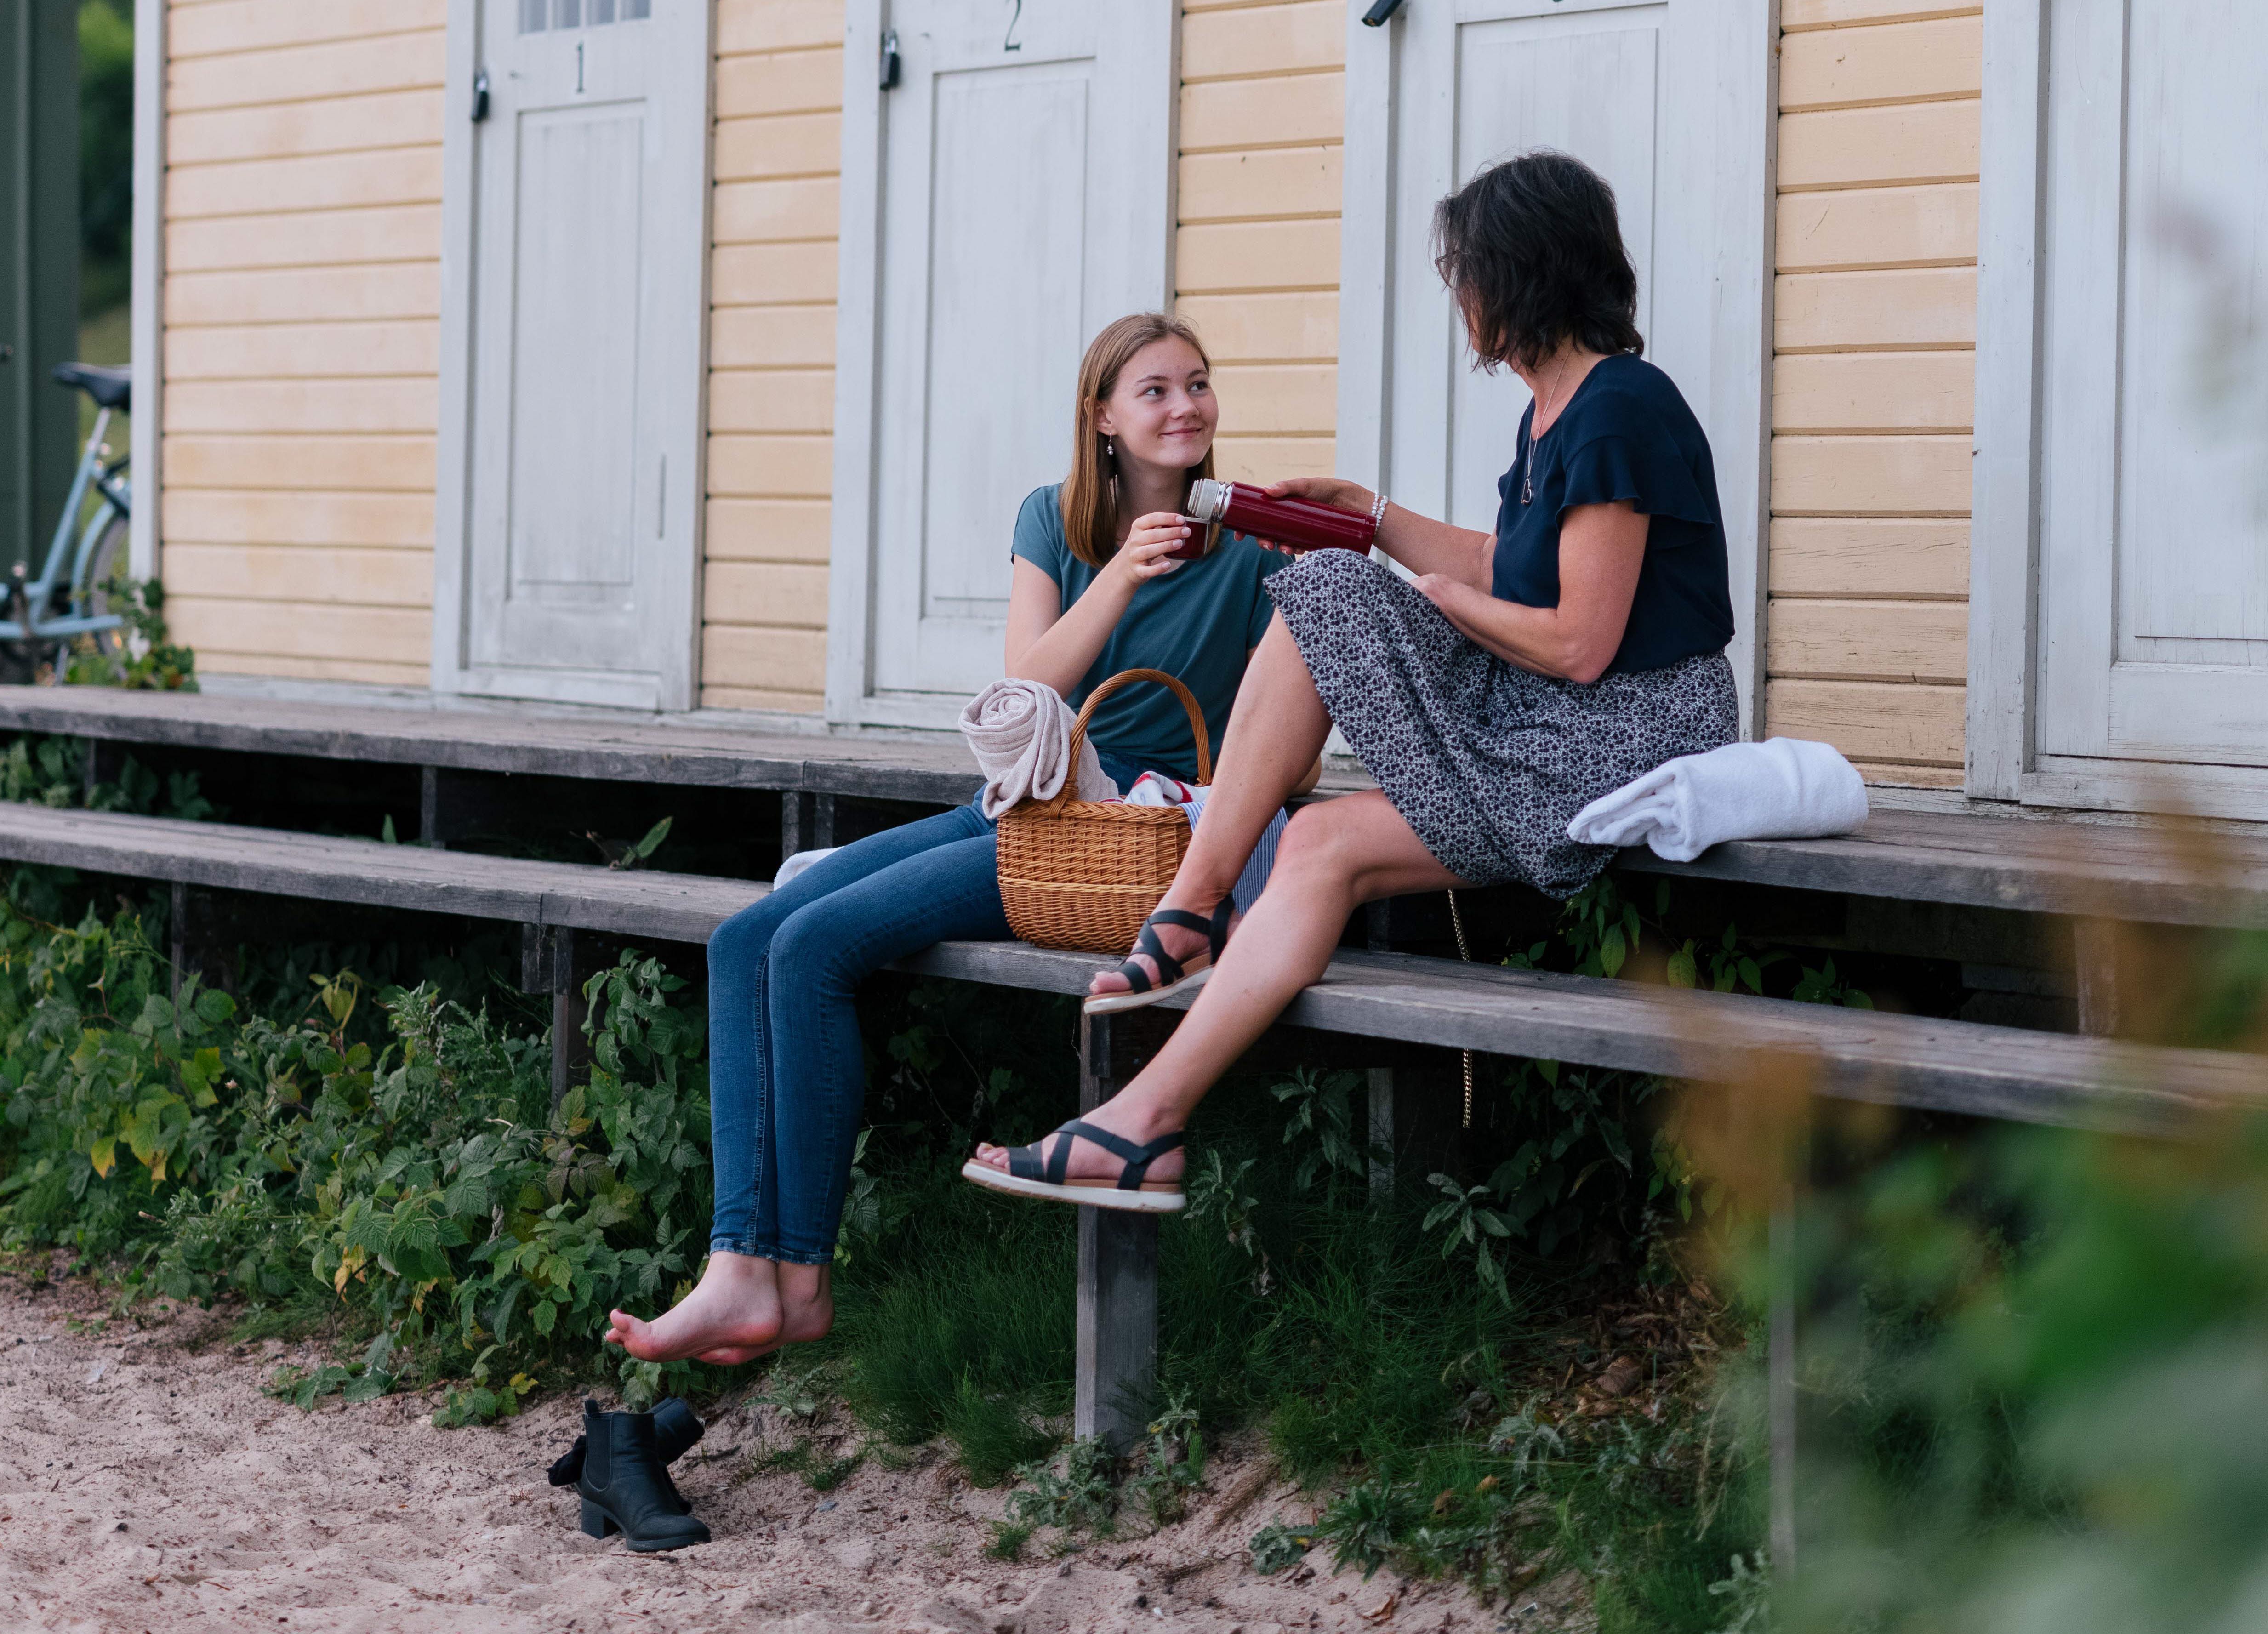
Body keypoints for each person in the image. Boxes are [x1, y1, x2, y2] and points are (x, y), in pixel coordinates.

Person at [963, 151, 1738, 1211]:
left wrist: (1422, 596)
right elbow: (1509, 568)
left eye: (1466, 271)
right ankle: (1141, 1126)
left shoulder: (1622, 409)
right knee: (1320, 837)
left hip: (1620, 730)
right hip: (1557, 722)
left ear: (1520, 275)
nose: (1459, 295)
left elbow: (1578, 644)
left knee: (1325, 590)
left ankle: (1189, 902)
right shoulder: (1556, 411)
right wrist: (1372, 518)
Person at [609, 312, 1290, 1360]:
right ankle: (744, 1266)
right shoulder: (1053, 520)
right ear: (1102, 417)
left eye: (1197, 383)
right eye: (1154, 389)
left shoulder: (1249, 542)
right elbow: (1023, 691)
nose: (1186, 405)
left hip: (1129, 839)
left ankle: (797, 1274)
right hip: (1033, 811)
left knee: (812, 946)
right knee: (741, 939)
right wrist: (1118, 576)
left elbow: (1268, 732)